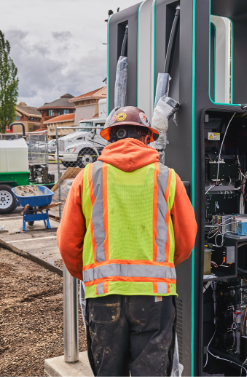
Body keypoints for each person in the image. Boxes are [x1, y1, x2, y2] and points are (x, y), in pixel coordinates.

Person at [57, 106, 197, 377]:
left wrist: (90, 274)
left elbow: (67, 243)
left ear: (109, 138)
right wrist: (161, 266)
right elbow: (185, 239)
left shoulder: (86, 178)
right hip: (155, 297)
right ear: (147, 138)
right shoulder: (168, 177)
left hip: (103, 295)